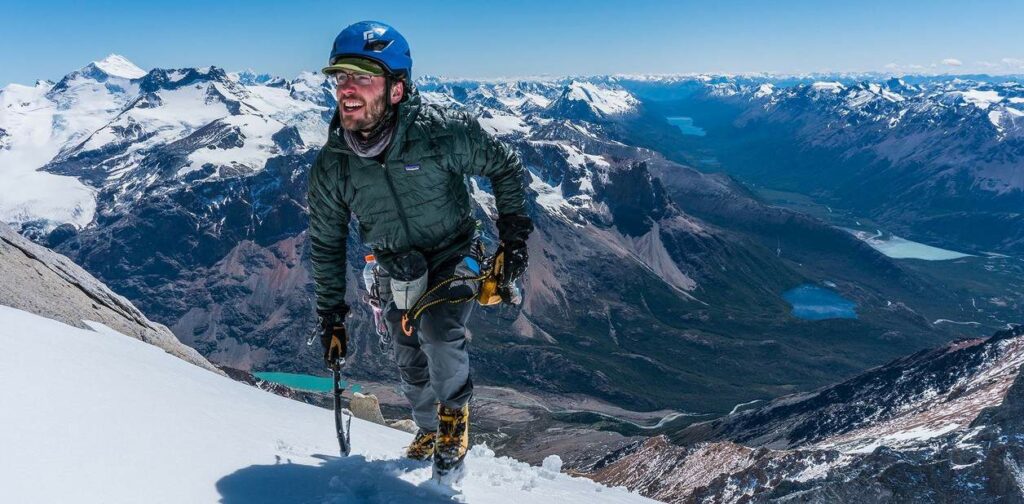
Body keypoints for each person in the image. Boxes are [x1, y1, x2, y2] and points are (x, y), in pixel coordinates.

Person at [306, 20, 533, 479]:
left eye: (362, 78)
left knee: (439, 331)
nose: (347, 89)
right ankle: (428, 427)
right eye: (340, 78)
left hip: (454, 250)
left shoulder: (442, 132)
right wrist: (332, 316)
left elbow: (505, 166)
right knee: (408, 358)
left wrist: (513, 239)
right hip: (396, 265)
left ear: (396, 88)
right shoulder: (334, 166)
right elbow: (326, 242)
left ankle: (453, 424)